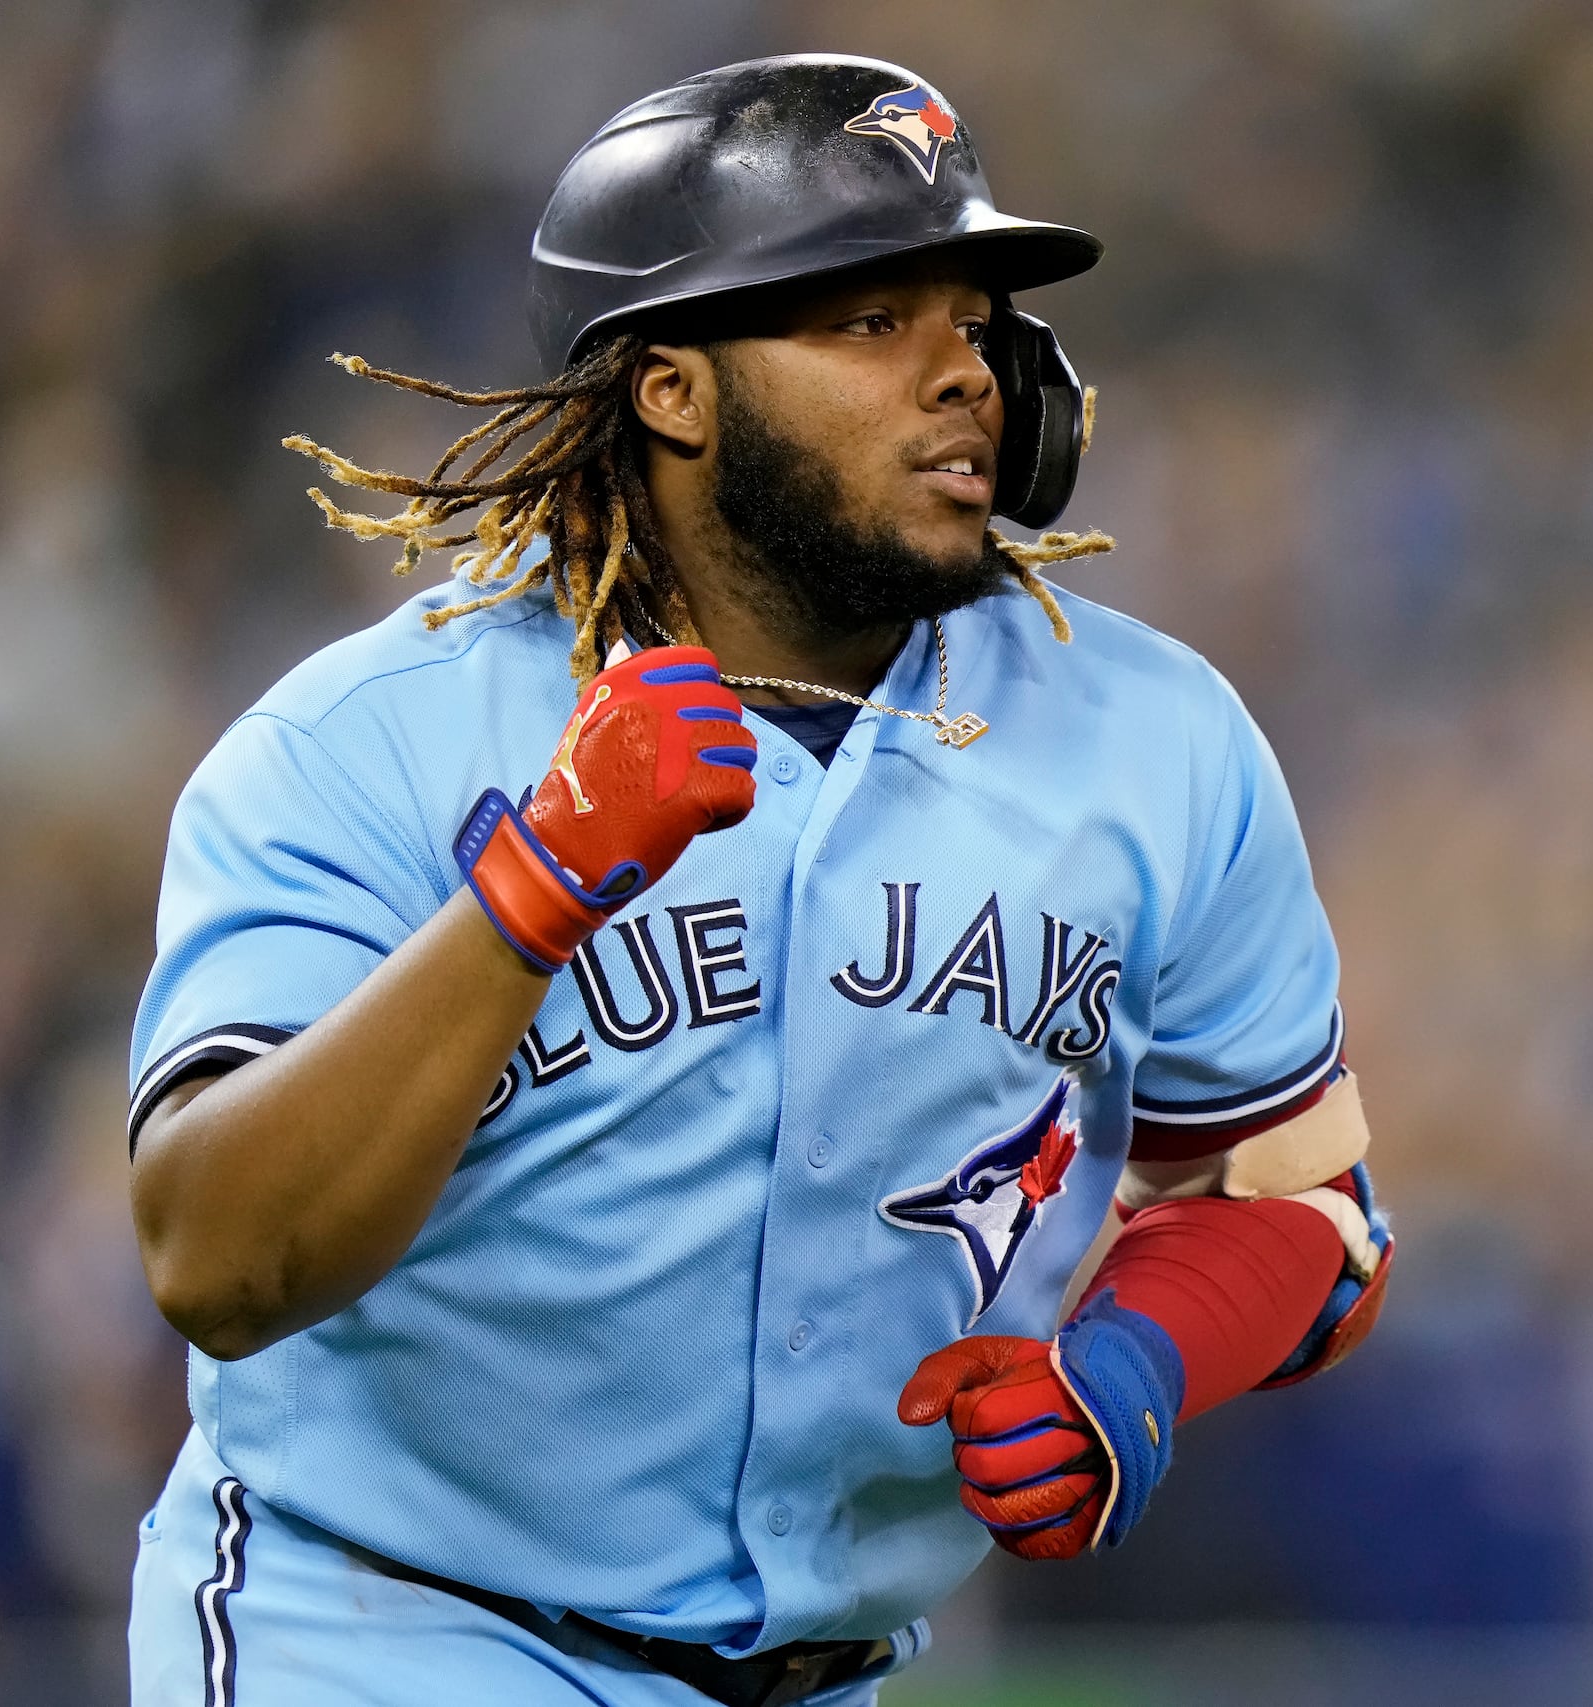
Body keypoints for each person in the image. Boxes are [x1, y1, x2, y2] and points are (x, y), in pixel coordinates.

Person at [124, 54, 1391, 1707]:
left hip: (819, 1675)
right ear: (672, 390)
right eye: (874, 323)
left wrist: (1128, 1376)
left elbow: (1303, 1206)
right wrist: (534, 894)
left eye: (974, 315)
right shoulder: (372, 742)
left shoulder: (1156, 741)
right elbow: (215, 1259)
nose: (967, 376)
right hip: (375, 1634)